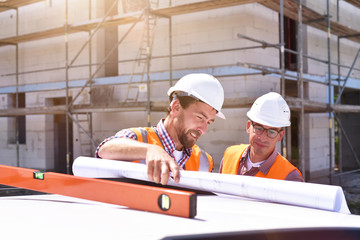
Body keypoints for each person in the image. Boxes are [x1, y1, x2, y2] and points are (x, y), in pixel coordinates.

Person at [95, 73, 225, 185]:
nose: (203, 129)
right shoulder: (139, 138)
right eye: (200, 118)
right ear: (176, 108)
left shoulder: (204, 161)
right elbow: (105, 149)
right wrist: (150, 150)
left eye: (209, 122)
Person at [220, 92, 304, 182]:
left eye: (272, 132)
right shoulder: (230, 154)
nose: (263, 138)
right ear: (248, 127)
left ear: (280, 136)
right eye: (259, 128)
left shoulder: (290, 177)